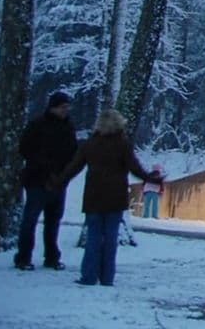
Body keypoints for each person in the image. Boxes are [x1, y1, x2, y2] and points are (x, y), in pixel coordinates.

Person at [52, 109, 162, 286]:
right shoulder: (122, 145)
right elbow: (135, 168)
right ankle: (107, 277)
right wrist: (151, 178)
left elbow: (75, 166)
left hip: (93, 196)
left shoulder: (90, 144)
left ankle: (88, 275)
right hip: (115, 197)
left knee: (94, 237)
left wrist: (59, 181)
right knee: (110, 239)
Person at [14, 91, 78, 271]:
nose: (66, 111)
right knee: (31, 219)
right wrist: (45, 167)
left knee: (53, 221)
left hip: (59, 180)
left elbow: (73, 152)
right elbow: (25, 149)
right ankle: (24, 256)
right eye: (63, 107)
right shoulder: (37, 125)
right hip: (37, 179)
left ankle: (51, 256)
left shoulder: (68, 127)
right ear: (53, 107)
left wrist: (64, 174)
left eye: (67, 107)